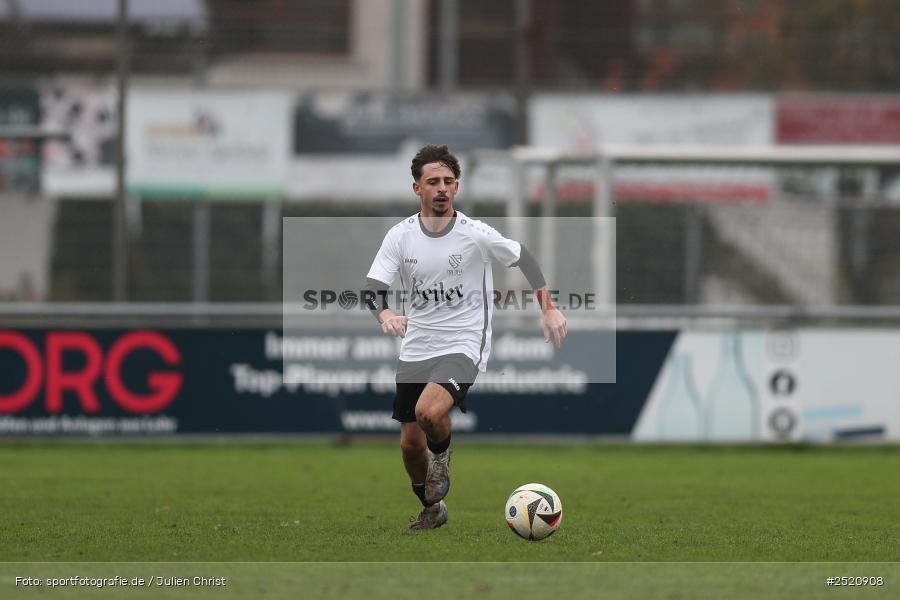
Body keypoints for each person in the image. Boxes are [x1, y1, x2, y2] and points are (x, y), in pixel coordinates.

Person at [364, 144, 567, 529]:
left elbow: (522, 256)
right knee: (410, 445)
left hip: (464, 341)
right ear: (417, 188)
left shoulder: (475, 234)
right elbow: (374, 288)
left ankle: (442, 457)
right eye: (433, 182)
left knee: (429, 412)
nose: (441, 188)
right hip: (417, 344)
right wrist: (385, 314)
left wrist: (549, 308)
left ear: (456, 187)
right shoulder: (400, 236)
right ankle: (432, 508)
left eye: (448, 181)